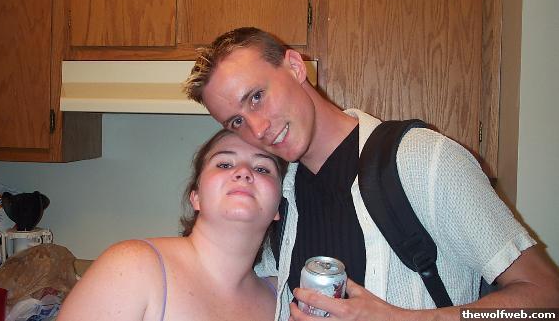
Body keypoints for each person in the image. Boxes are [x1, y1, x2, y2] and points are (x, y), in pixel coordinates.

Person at [183, 27, 559, 321]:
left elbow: (547, 300)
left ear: (295, 67)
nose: (258, 128)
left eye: (256, 97)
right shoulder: (281, 198)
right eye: (236, 121)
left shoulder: (423, 160)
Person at [57, 129, 288, 321]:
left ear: (279, 206)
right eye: (225, 164)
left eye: (262, 169)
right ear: (196, 197)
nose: (244, 172)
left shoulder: (282, 302)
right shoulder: (133, 267)